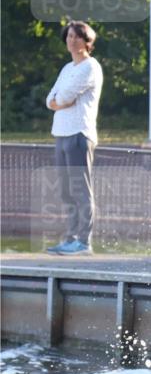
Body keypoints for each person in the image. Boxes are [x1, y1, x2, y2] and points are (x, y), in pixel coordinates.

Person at [45, 20, 104, 256]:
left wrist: (60, 101)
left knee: (81, 189)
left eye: (77, 36)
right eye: (69, 36)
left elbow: (67, 95)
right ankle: (69, 238)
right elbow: (51, 98)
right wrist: (58, 102)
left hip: (80, 134)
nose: (72, 40)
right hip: (61, 133)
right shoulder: (67, 68)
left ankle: (83, 241)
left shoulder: (90, 67)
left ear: (87, 42)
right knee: (65, 190)